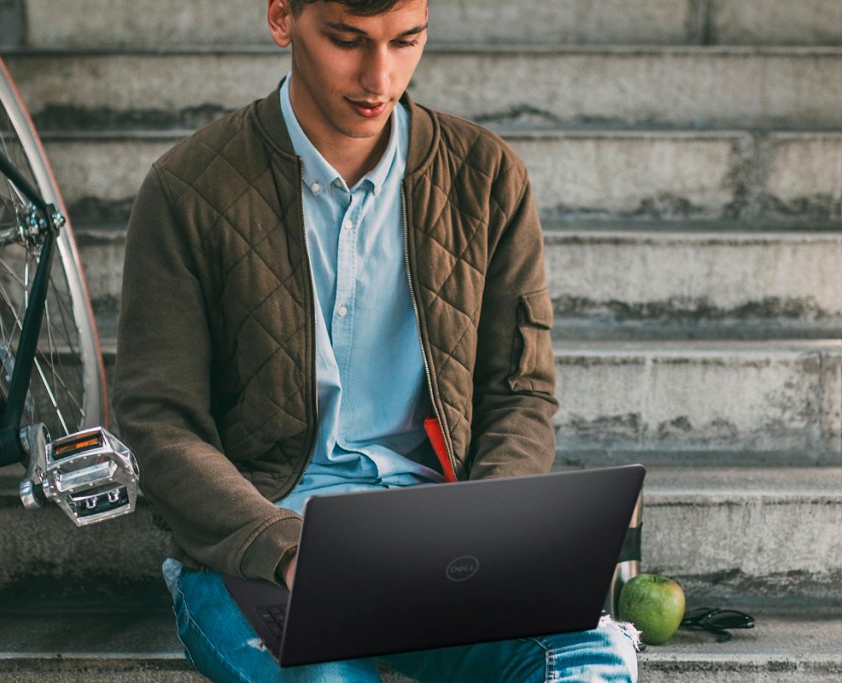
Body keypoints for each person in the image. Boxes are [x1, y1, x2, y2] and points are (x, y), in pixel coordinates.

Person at [113, 0, 640, 680]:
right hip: (261, 554)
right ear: (282, 19)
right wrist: (286, 547)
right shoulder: (187, 189)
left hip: (442, 553)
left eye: (406, 41)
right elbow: (160, 421)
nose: (379, 76)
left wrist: (488, 538)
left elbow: (520, 394)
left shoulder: (486, 176)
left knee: (587, 660)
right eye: (347, 40)